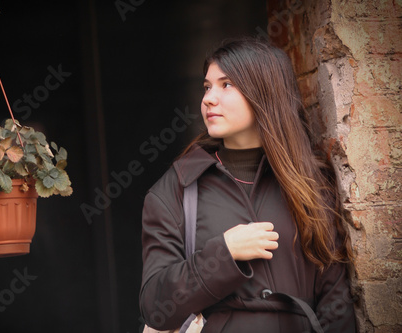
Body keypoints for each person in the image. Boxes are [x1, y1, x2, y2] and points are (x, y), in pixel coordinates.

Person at [139, 37, 356, 333]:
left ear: (264, 91)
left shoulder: (311, 181)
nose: (209, 99)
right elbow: (155, 308)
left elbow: (336, 301)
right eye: (207, 87)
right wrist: (223, 255)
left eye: (226, 85)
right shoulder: (177, 187)